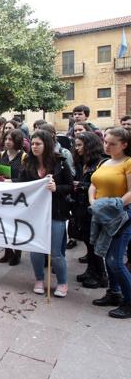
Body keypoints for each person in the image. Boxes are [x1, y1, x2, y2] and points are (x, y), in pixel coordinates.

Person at [19, 131, 72, 297]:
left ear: (47, 145)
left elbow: (70, 186)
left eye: (38, 144)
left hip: (56, 213)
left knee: (56, 253)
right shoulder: (28, 162)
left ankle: (62, 283)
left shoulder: (60, 162)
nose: (34, 147)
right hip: (35, 214)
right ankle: (39, 279)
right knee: (35, 249)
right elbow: (21, 186)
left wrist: (57, 188)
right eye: (33, 144)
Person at [89, 128, 131, 318]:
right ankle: (114, 293)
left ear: (124, 145)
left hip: (121, 216)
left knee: (116, 260)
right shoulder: (104, 162)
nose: (107, 145)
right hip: (101, 215)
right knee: (107, 256)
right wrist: (94, 203)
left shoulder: (128, 163)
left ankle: (129, 301)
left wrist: (113, 205)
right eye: (105, 141)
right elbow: (93, 184)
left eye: (112, 143)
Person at [71, 132, 108, 289]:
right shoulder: (82, 162)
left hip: (93, 208)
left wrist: (80, 185)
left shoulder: (102, 163)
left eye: (80, 145)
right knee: (87, 241)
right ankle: (91, 271)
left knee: (94, 244)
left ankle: (101, 276)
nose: (77, 148)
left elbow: (101, 187)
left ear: (89, 146)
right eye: (76, 145)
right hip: (81, 207)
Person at [0, 129, 28, 265]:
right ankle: (8, 251)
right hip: (3, 196)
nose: (7, 142)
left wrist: (10, 181)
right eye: (6, 139)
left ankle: (17, 253)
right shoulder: (1, 155)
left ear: (17, 142)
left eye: (11, 140)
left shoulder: (25, 157)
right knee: (4, 224)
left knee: (16, 225)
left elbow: (26, 178)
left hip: (18, 196)